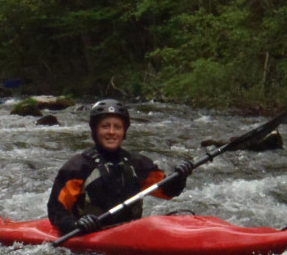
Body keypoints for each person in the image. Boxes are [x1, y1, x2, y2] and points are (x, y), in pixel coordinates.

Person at [47, 100, 194, 235]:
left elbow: (167, 191)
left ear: (124, 132)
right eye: (105, 126)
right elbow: (56, 210)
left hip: (129, 234)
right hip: (90, 235)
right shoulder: (77, 167)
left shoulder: (138, 164)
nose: (111, 132)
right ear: (95, 130)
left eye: (117, 127)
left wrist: (180, 177)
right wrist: (75, 225)